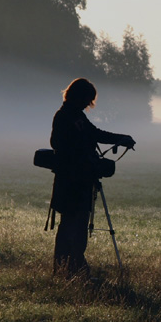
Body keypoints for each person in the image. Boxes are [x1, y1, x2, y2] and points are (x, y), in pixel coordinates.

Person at [50, 78, 135, 278]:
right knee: (72, 224)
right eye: (87, 99)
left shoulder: (75, 115)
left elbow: (95, 134)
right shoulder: (64, 116)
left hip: (78, 180)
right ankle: (70, 269)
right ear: (79, 96)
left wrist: (120, 139)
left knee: (76, 224)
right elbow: (57, 143)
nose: (88, 104)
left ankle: (71, 268)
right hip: (71, 181)